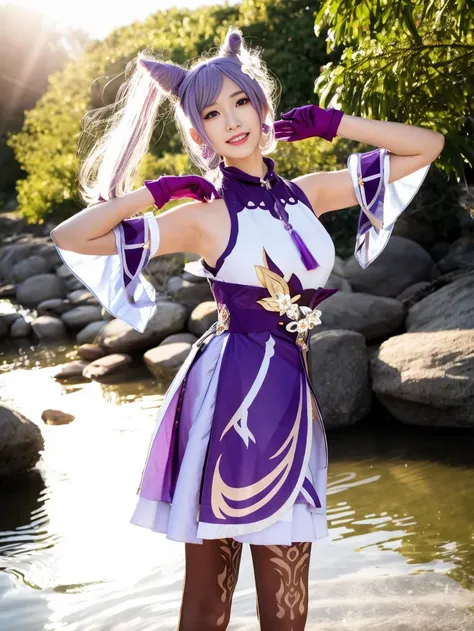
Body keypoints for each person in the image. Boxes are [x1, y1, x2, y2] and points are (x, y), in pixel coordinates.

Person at [50, 25, 444, 631]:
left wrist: (333, 124)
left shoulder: (307, 195)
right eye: (210, 112)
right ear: (197, 131)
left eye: (241, 101)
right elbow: (71, 236)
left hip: (292, 395)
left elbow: (426, 145)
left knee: (290, 603)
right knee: (209, 602)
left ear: (263, 106)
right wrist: (153, 194)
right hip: (228, 395)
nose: (231, 121)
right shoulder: (202, 215)